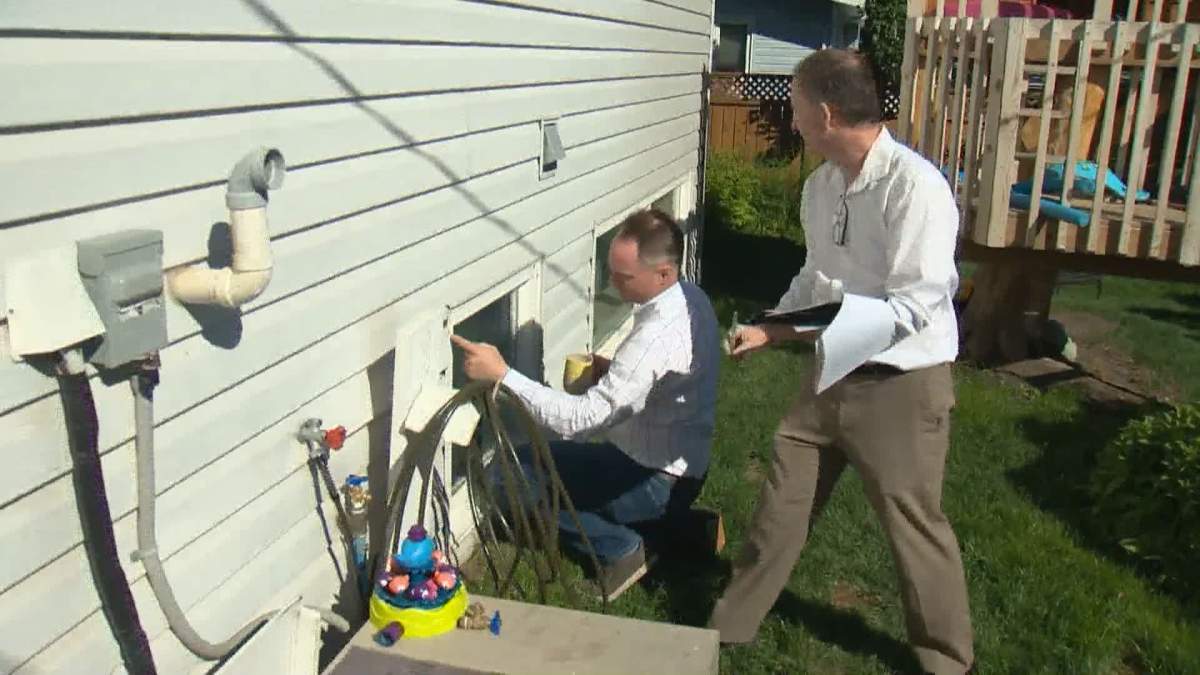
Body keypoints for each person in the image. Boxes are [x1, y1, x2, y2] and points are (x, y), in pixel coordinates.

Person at [706, 49, 975, 675]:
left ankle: (947, 662)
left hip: (901, 387)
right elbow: (816, 276)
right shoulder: (822, 185)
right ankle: (728, 630)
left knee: (914, 526)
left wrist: (814, 330)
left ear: (826, 112)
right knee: (781, 503)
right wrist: (772, 326)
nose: (791, 120)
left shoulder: (916, 188)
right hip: (831, 375)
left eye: (796, 110)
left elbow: (915, 303)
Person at [451, 208, 720, 599]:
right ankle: (679, 529)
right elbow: (667, 379)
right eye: (610, 270)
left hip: (653, 480)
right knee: (543, 470)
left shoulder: (656, 337)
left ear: (663, 273)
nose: (611, 283)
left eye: (622, 276)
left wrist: (502, 375)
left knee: (508, 478)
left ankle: (621, 547)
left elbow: (581, 421)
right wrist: (613, 372)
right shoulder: (689, 298)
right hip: (675, 468)